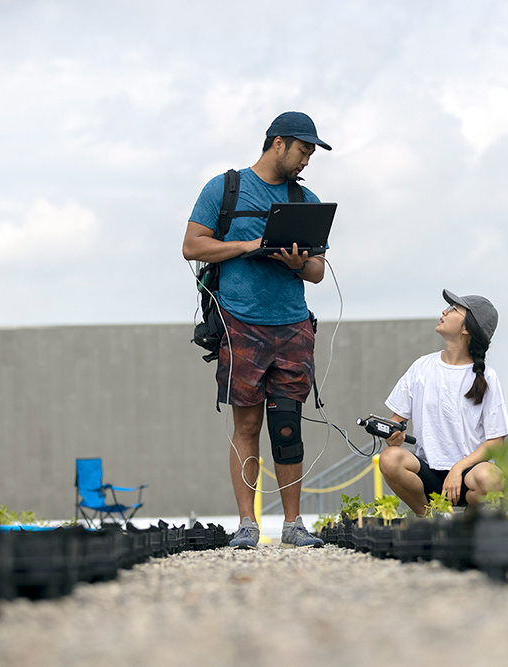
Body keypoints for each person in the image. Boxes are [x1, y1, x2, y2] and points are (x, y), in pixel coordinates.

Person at [181, 111, 332, 549]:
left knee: (288, 425)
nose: (307, 161)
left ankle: (293, 525)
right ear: (279, 143)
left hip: (292, 326)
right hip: (239, 325)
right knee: (246, 424)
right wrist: (250, 246)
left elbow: (318, 272)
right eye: (304, 150)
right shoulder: (224, 188)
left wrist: (296, 262)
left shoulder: (306, 202)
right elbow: (192, 245)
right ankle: (247, 524)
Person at [379, 290, 508, 514]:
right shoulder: (421, 367)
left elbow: (496, 443)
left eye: (453, 309)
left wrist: (459, 468)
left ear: (467, 328)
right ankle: (429, 520)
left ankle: (470, 524)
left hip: (469, 475)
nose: (444, 311)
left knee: (492, 478)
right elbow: (395, 425)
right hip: (428, 472)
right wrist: (393, 437)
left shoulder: (487, 376)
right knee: (389, 459)